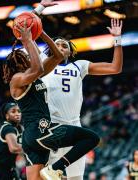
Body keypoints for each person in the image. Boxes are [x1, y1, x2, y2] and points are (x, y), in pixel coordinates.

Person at [2, 14, 100, 180]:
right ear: (19, 63)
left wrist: (40, 32)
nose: (29, 57)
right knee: (91, 137)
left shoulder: (34, 76)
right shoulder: (17, 79)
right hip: (40, 132)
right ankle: (58, 167)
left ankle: (54, 170)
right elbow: (38, 68)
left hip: (33, 137)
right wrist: (27, 41)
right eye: (26, 57)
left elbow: (58, 57)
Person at [40, 18, 123, 180]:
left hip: (74, 126)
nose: (61, 47)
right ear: (49, 48)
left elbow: (115, 68)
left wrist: (117, 40)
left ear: (70, 52)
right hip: (51, 127)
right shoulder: (41, 66)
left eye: (65, 45)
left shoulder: (79, 65)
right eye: (56, 44)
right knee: (42, 176)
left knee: (76, 178)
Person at [0, 102, 23, 180]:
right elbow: (14, 148)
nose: (17, 114)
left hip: (9, 167)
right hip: (0, 169)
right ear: (7, 116)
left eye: (19, 111)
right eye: (13, 111)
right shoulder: (8, 128)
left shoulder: (15, 128)